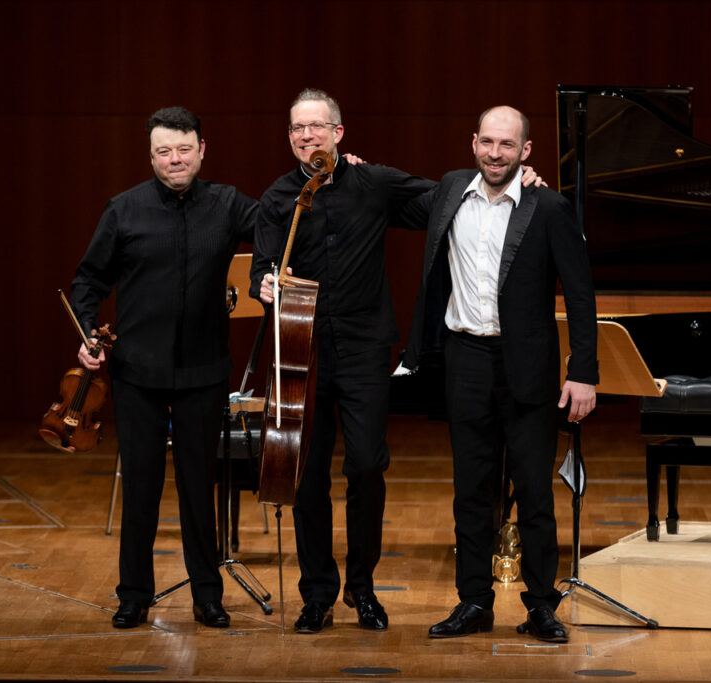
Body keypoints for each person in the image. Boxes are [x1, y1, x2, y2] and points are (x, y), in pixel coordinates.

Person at [249, 90, 542, 634]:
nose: (307, 136)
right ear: (290, 137)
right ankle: (317, 594)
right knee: (307, 475)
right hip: (300, 348)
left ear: (338, 133)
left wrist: (517, 182)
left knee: (366, 465)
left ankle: (362, 589)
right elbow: (263, 267)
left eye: (317, 127)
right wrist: (264, 283)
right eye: (297, 129)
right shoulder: (277, 198)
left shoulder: (373, 182)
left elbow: (451, 197)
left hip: (364, 348)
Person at [400, 106, 598, 642]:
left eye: (507, 145)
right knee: (471, 491)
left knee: (534, 492)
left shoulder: (549, 207)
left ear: (526, 151)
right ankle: (473, 602)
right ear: (473, 142)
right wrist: (347, 164)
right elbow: (391, 196)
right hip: (465, 360)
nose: (495, 153)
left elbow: (580, 295)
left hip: (528, 366)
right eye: (487, 142)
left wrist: (583, 371)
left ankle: (541, 606)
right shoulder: (450, 191)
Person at [71, 106, 256, 630]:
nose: (174, 159)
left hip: (203, 372)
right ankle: (134, 595)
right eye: (163, 151)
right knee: (142, 487)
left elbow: (281, 224)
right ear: (151, 156)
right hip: (138, 374)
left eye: (183, 149)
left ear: (202, 150)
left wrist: (331, 175)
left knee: (199, 488)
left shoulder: (228, 204)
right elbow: (88, 281)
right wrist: (87, 331)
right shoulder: (123, 210)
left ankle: (207, 596)